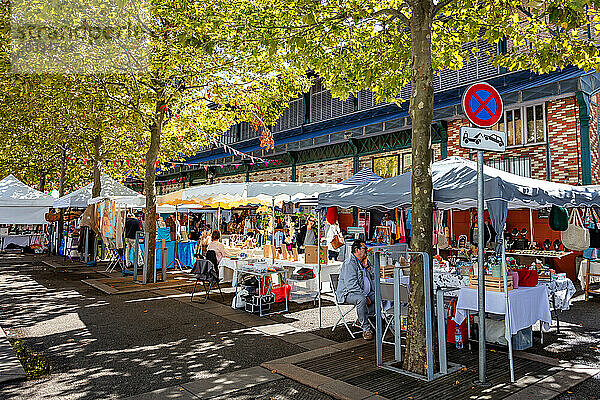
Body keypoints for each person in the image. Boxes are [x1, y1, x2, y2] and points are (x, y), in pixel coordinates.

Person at [336, 239, 375, 340]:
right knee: (361, 299)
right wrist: (365, 296)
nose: (366, 250)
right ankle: (366, 328)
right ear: (356, 250)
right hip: (348, 293)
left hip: (364, 292)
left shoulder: (365, 261)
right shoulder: (350, 263)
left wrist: (368, 268)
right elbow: (351, 285)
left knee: (379, 296)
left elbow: (375, 276)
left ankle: (361, 319)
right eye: (364, 248)